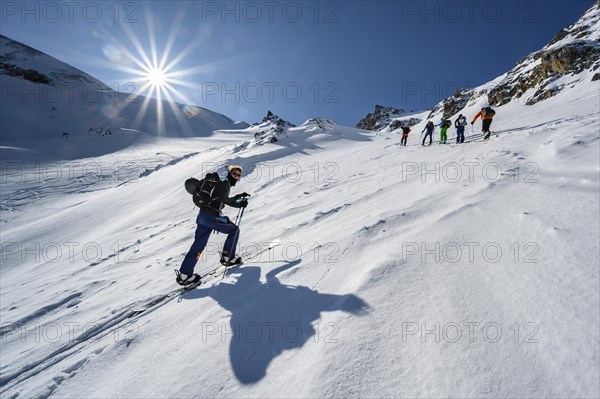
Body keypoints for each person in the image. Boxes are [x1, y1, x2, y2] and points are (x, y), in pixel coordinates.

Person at [176, 165, 249, 286]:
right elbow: (225, 200)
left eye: (238, 175)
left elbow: (221, 199)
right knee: (234, 230)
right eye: (234, 174)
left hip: (203, 216)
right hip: (211, 217)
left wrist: (239, 198)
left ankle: (185, 275)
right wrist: (239, 204)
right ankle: (228, 257)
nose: (236, 177)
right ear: (229, 173)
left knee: (198, 245)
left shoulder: (222, 183)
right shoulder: (224, 182)